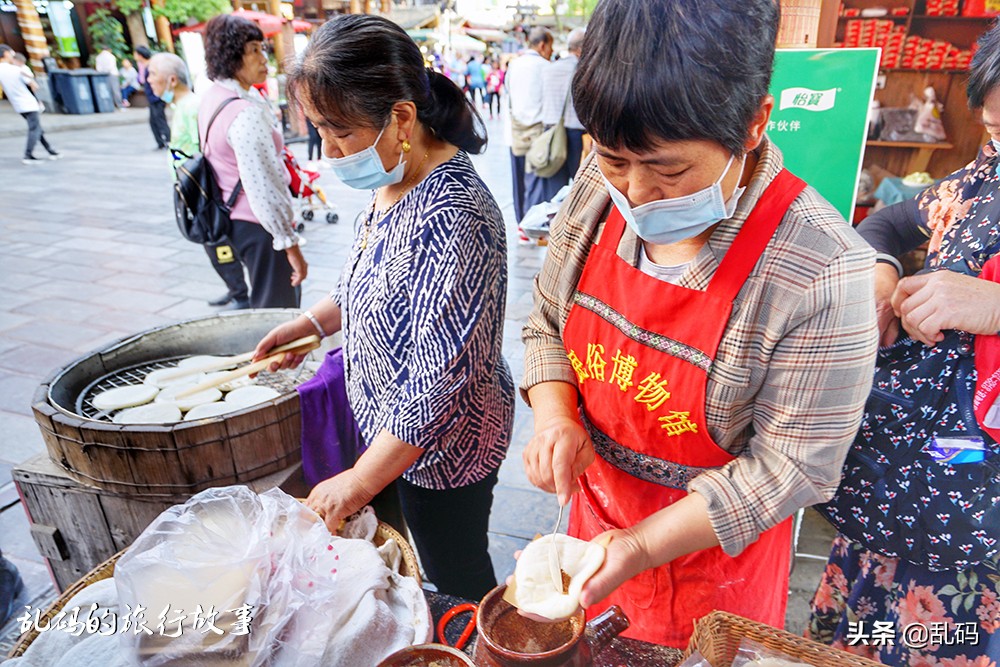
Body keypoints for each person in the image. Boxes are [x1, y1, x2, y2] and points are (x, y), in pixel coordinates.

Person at [518, 0, 879, 647]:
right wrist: (555, 416)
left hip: (715, 564)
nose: (632, 192)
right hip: (592, 526)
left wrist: (639, 544)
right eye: (613, 158)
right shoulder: (598, 189)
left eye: (668, 170)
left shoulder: (823, 270)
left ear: (752, 124)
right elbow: (546, 319)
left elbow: (792, 464)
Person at [252, 14, 514, 602]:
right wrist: (309, 325)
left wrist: (359, 481)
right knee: (408, 556)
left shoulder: (455, 217)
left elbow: (439, 385)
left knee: (457, 573)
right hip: (389, 442)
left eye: (338, 130)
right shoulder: (391, 181)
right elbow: (361, 281)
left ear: (401, 116)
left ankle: (483, 644)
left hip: (445, 451)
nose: (329, 149)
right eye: (319, 129)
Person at [806, 23, 1000, 666]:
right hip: (904, 481)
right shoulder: (983, 179)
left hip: (974, 524)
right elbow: (886, 220)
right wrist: (883, 271)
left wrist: (995, 308)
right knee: (862, 639)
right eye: (996, 129)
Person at [199, 14, 307, 309]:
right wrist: (289, 243)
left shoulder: (212, 97)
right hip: (260, 227)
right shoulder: (244, 112)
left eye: (263, 49)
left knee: (267, 302)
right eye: (255, 50)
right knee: (277, 312)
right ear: (232, 56)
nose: (264, 59)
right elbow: (264, 186)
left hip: (235, 220)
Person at [148, 52, 250, 311]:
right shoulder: (180, 106)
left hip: (204, 194)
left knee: (217, 243)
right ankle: (234, 290)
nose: (148, 80)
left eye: (152, 74)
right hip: (192, 192)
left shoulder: (192, 107)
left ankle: (241, 295)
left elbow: (206, 152)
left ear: (171, 80)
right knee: (212, 245)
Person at [505, 27, 552, 230]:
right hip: (537, 135)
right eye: (550, 47)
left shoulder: (514, 64)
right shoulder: (546, 66)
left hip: (514, 133)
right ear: (542, 45)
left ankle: (520, 223)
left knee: (518, 181)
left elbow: (508, 91)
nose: (550, 51)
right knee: (534, 180)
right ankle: (531, 226)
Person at [539, 27, 586, 195]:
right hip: (578, 133)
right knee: (580, 188)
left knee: (554, 190)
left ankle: (555, 220)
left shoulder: (549, 69)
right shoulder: (585, 71)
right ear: (583, 48)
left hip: (551, 132)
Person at [0, 45, 59, 165]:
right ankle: (28, 155)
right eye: (12, 53)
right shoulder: (16, 69)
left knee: (37, 128)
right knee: (34, 129)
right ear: (5, 53)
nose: (13, 55)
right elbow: (33, 84)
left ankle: (51, 150)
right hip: (28, 102)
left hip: (18, 105)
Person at [135, 46, 171, 150]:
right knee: (153, 121)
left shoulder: (152, 65)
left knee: (160, 120)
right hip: (151, 97)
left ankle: (169, 141)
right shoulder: (143, 66)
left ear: (140, 55)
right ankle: (160, 143)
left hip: (157, 97)